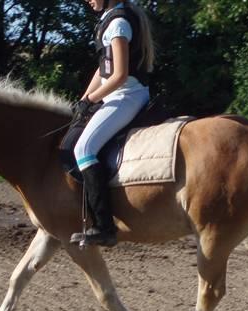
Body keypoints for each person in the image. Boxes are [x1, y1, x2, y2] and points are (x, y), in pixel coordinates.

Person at [69, 0, 155, 247]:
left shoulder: (118, 23)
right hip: (117, 94)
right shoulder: (110, 18)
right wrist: (84, 99)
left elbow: (119, 75)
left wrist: (92, 100)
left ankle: (104, 227)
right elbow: (103, 69)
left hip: (127, 96)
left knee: (83, 149)